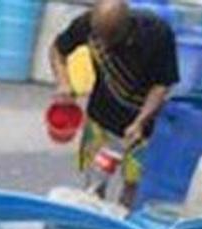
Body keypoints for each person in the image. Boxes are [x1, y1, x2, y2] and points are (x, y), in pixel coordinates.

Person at [50, 0, 179, 208]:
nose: (105, 44)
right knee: (94, 185)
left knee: (132, 185)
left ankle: (124, 226)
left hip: (141, 127)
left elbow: (162, 85)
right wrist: (64, 83)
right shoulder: (86, 24)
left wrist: (140, 122)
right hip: (100, 117)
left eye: (111, 39)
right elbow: (57, 50)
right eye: (100, 37)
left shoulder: (157, 34)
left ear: (126, 27)